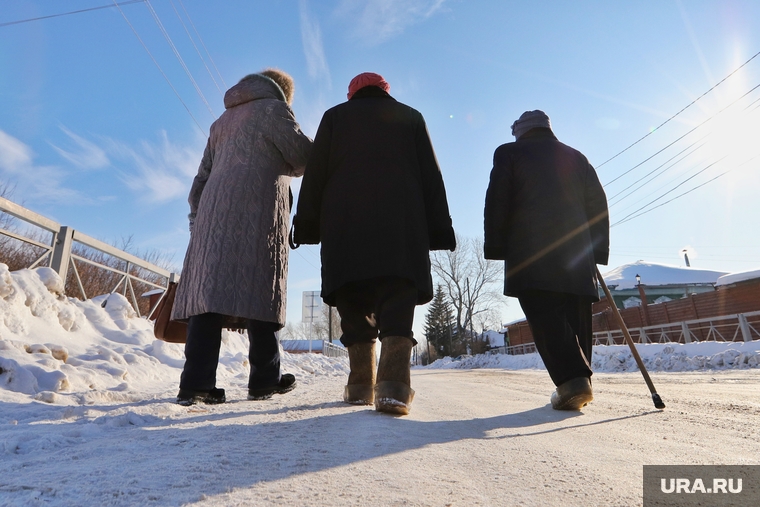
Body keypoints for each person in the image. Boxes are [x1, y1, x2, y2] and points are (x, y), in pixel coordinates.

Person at [293, 72, 456, 415]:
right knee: (398, 299)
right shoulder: (410, 117)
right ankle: (394, 386)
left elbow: (316, 174)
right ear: (386, 92)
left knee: (352, 301)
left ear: (352, 93)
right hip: (402, 228)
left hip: (345, 227)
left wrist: (307, 226)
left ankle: (360, 385)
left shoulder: (334, 117)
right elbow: (432, 177)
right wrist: (440, 229)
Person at [171, 69, 313, 406]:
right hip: (258, 213)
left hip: (212, 216)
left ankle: (195, 384)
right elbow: (304, 156)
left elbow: (200, 180)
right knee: (262, 290)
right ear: (284, 93)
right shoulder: (274, 110)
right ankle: (265, 379)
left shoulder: (222, 122)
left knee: (208, 298)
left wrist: (199, 219)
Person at [484, 110, 609, 410]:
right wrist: (597, 250)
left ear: (521, 132)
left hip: (531, 253)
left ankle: (573, 381)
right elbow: (597, 205)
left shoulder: (509, 153)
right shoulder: (577, 157)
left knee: (545, 313)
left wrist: (498, 247)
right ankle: (579, 384)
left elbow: (498, 200)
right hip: (578, 254)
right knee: (575, 316)